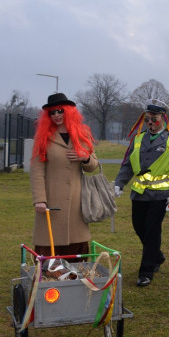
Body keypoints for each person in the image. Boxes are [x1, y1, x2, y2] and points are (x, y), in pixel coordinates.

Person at [114, 99, 169, 287]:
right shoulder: (138, 139)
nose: (150, 123)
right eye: (147, 119)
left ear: (163, 118)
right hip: (139, 194)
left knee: (152, 231)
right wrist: (119, 183)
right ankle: (157, 255)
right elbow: (128, 165)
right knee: (139, 227)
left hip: (161, 195)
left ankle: (146, 272)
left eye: (154, 119)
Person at [29, 93, 99, 257]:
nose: (56, 115)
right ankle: (48, 276)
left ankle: (74, 278)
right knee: (49, 245)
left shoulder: (83, 134)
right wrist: (39, 199)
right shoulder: (44, 136)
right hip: (51, 201)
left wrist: (85, 157)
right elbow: (37, 170)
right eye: (52, 113)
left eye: (60, 111)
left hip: (76, 201)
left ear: (68, 111)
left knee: (77, 249)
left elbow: (93, 165)